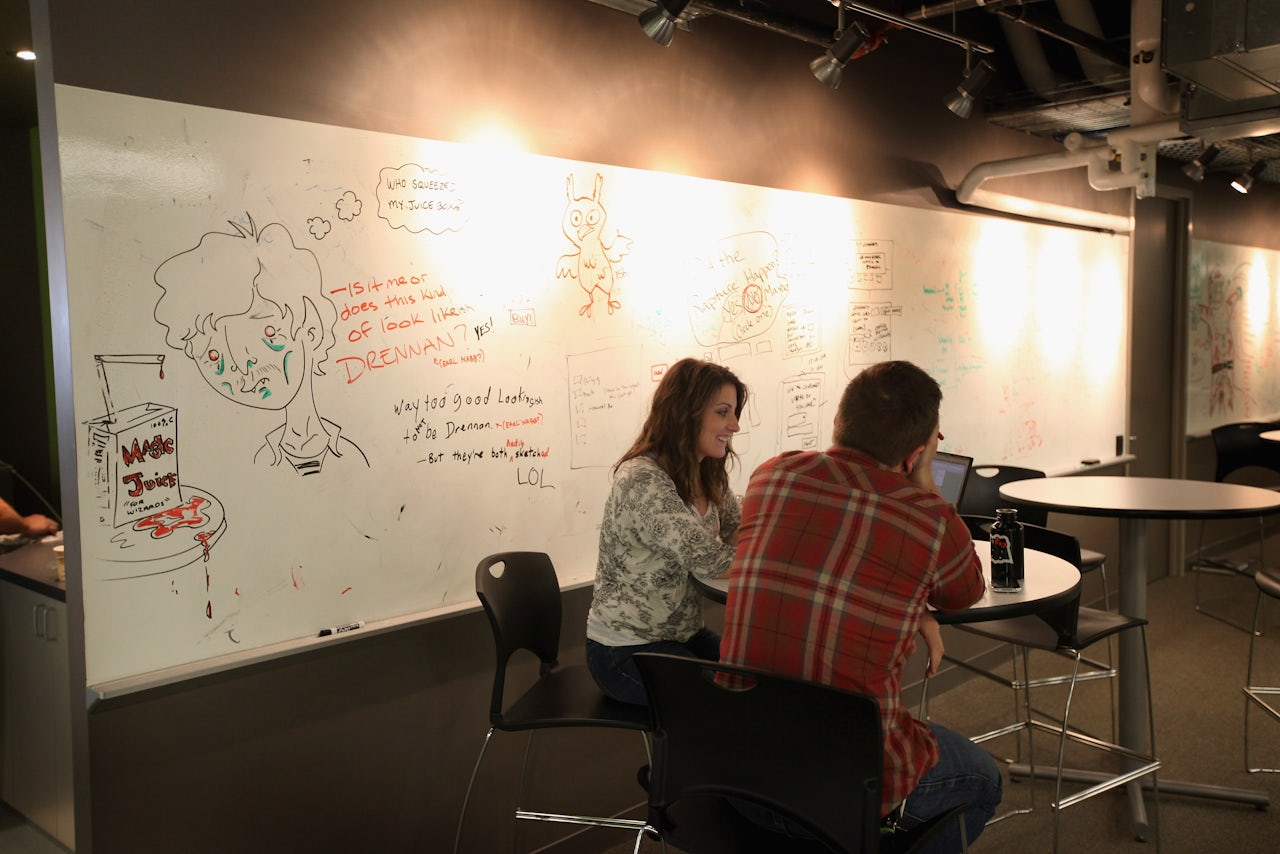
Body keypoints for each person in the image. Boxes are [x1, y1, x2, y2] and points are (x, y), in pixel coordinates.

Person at [721, 359, 1001, 850]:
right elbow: (964, 592)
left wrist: (911, 607)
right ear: (917, 452)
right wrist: (926, 485)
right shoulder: (931, 518)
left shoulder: (773, 477)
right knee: (984, 781)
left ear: (838, 424)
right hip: (846, 786)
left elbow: (831, 567)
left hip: (736, 771)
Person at [153, 214, 368, 476]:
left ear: (311, 330)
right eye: (214, 356)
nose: (244, 369)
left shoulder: (351, 457)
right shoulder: (256, 463)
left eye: (266, 333)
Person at [585, 358, 747, 706]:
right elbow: (712, 561)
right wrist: (778, 556)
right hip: (625, 649)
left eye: (734, 412)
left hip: (681, 634)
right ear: (685, 414)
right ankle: (686, 761)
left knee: (753, 677)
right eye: (723, 412)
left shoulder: (708, 471)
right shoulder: (642, 479)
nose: (734, 425)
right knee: (716, 701)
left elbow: (739, 528)